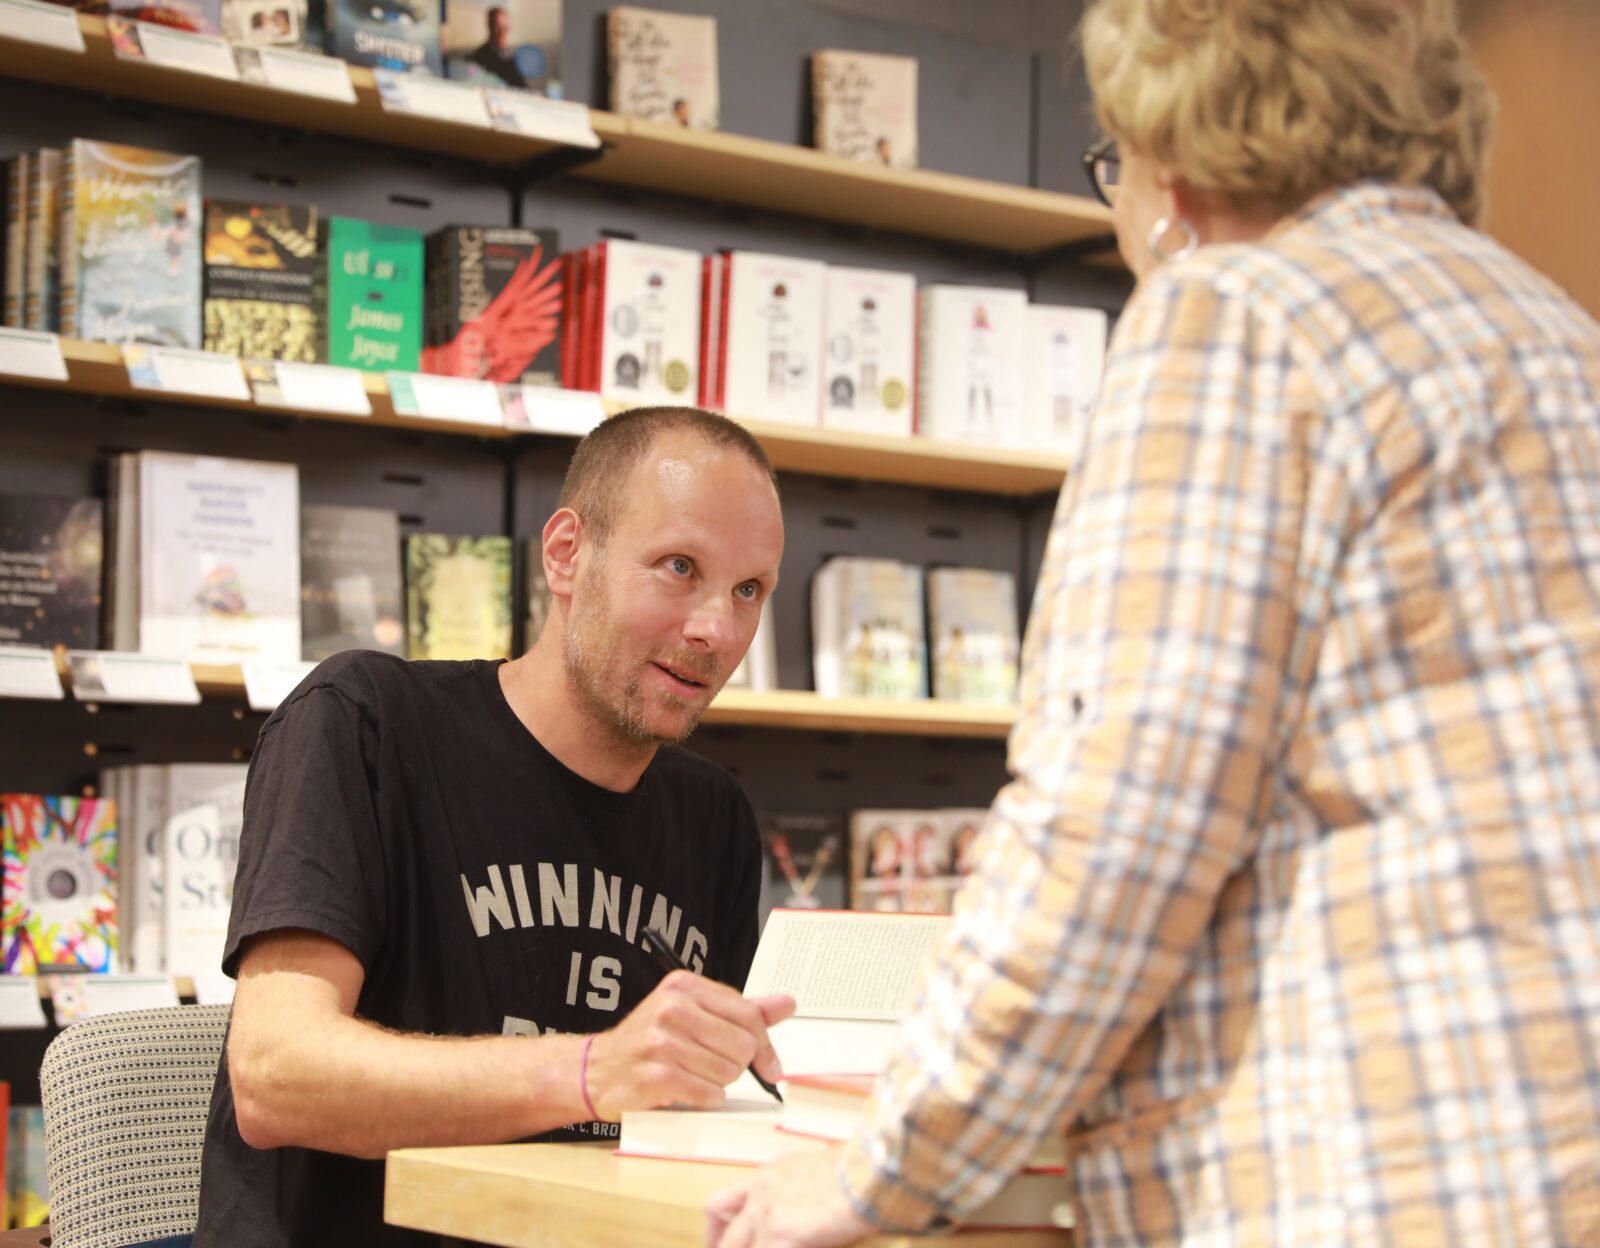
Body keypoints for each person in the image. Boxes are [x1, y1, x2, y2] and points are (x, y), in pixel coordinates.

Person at [708, 0, 1600, 1245]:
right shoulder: (1557, 337)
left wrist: (880, 1171)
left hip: (1362, 1170)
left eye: (1111, 163)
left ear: (1169, 161)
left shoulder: (1235, 317)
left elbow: (1119, 827)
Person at [194, 407, 793, 1247]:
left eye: (749, 590)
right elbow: (275, 1077)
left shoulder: (715, 816)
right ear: (566, 554)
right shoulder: (365, 720)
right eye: (679, 567)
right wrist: (591, 1071)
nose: (716, 631)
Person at [468, 5, 526, 89]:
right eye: (499, 27)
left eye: (506, 27)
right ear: (490, 27)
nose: (503, 32)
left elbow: (519, 83)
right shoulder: (482, 55)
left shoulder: (508, 53)